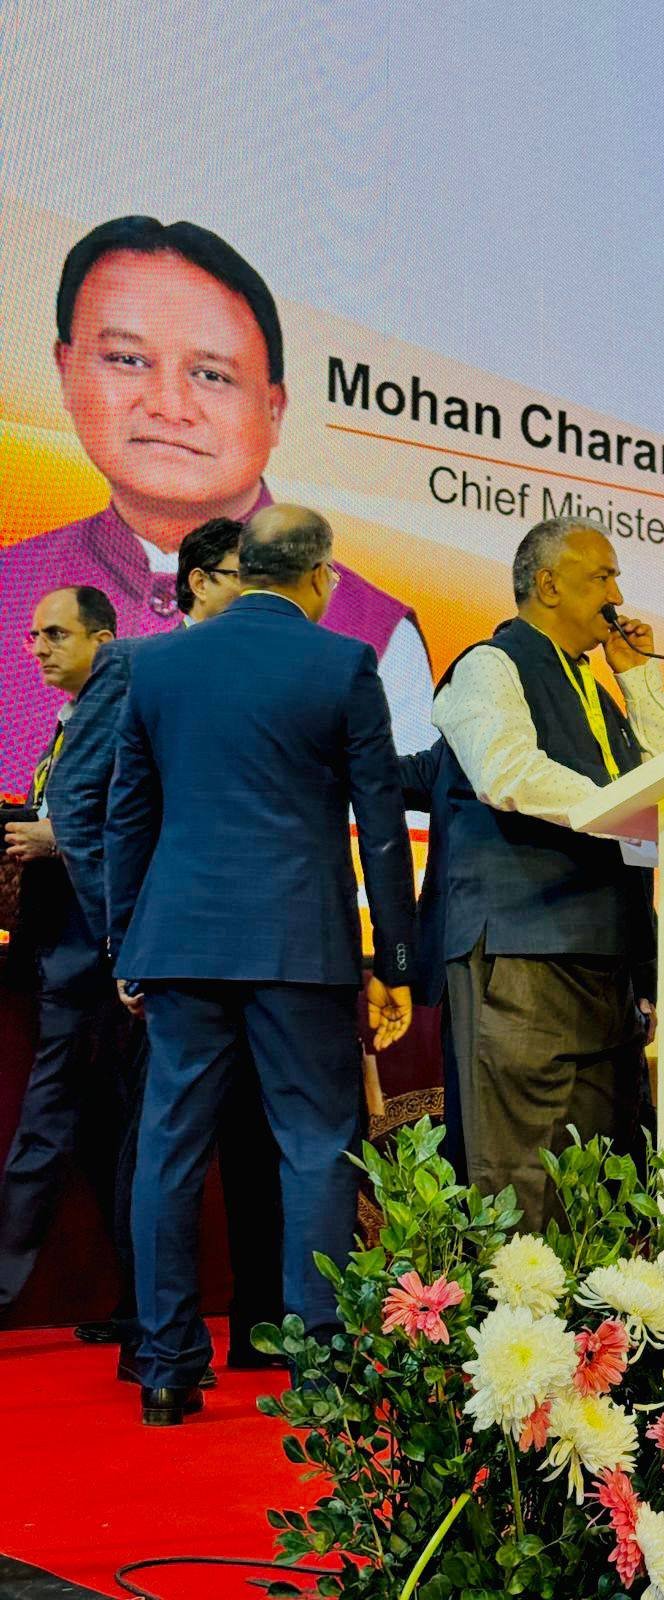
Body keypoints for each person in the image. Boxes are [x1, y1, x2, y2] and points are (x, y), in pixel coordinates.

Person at [105, 503, 416, 1425]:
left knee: (169, 1147)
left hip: (180, 941)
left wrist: (127, 944)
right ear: (318, 576)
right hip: (298, 944)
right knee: (315, 1146)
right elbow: (381, 825)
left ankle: (166, 1370)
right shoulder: (342, 663)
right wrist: (394, 958)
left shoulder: (157, 663)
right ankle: (318, 1372)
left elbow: (128, 813)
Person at [0, 214, 433, 794]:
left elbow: (393, 826)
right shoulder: (9, 586)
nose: (168, 405)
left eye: (210, 374)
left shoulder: (373, 634)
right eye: (127, 360)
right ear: (65, 368)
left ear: (274, 409)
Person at [47, 517, 285, 1374]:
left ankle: (263, 1329)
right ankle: (153, 1336)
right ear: (198, 580)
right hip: (166, 951)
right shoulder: (137, 664)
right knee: (166, 1145)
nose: (261, 592)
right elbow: (80, 803)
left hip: (270, 949)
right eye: (243, 574)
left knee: (258, 1140)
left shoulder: (278, 668)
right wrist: (126, 933)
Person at [431, 516, 664, 1229]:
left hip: (607, 962)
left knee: (603, 1183)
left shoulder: (596, 689)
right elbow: (505, 771)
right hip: (525, 958)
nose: (617, 595)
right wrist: (620, 808)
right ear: (547, 585)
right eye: (602, 577)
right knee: (521, 1184)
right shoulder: (491, 666)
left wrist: (640, 680)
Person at [0, 586, 138, 1325]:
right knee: (107, 1132)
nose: (40, 648)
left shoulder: (126, 723)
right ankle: (140, 1301)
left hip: (98, 953)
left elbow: (135, 824)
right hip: (65, 950)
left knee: (50, 1123)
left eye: (56, 634)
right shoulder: (68, 725)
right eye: (33, 636)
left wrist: (55, 837)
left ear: (103, 642)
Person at [395, 739, 465, 1179]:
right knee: (463, 1124)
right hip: (460, 964)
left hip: (546, 967)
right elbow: (391, 775)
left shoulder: (563, 719)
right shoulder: (454, 743)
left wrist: (644, 978)